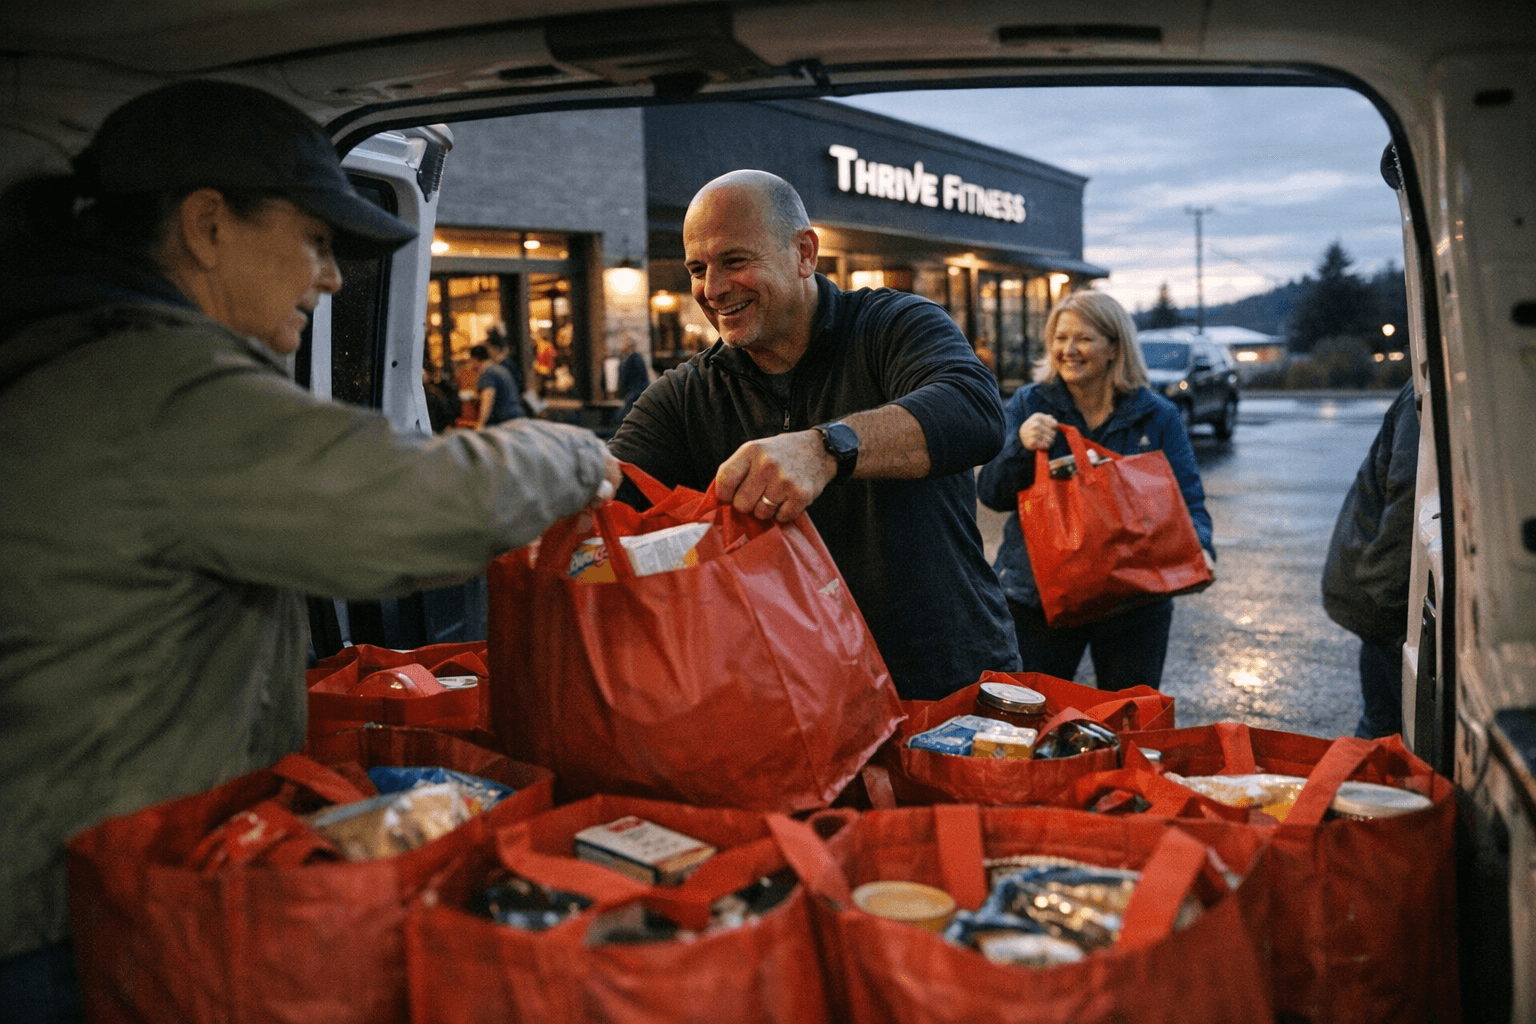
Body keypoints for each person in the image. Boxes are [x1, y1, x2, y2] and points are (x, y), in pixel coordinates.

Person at [0, 79, 620, 1022]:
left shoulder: (77, 357)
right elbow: (418, 507)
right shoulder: (161, 389)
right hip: (72, 916)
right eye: (318, 241)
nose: (332, 278)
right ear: (208, 225)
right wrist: (572, 452)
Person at [609, 169, 1020, 700]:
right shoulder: (687, 394)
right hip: (798, 702)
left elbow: (974, 411)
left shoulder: (892, 324)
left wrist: (825, 448)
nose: (712, 289)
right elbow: (610, 493)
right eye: (697, 268)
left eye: (735, 261)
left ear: (804, 253)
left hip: (945, 684)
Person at [976, 291, 1214, 691]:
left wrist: (1202, 548)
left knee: (1128, 715)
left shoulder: (1157, 415)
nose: (1068, 350)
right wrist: (1021, 446)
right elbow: (991, 492)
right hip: (1039, 596)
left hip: (1134, 595)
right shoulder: (1030, 404)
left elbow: (1187, 498)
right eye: (1060, 338)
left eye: (1083, 339)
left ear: (1114, 348)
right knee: (1031, 711)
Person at [1322, 379, 1419, 738]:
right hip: (1384, 597)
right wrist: (1389, 606)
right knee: (1389, 726)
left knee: (1382, 723)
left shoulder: (1420, 391)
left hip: (1377, 591)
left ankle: (1355, 771)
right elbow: (1408, 502)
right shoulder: (1422, 396)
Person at [469, 342, 524, 426]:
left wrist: (480, 424)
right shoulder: (499, 369)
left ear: (475, 360)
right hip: (517, 417)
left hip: (506, 422)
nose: (470, 365)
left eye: (470, 361)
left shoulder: (488, 373)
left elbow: (487, 399)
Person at [615, 332, 651, 420]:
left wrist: (631, 397)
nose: (620, 345)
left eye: (623, 342)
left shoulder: (635, 359)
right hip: (631, 396)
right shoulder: (630, 358)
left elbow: (640, 383)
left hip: (634, 397)